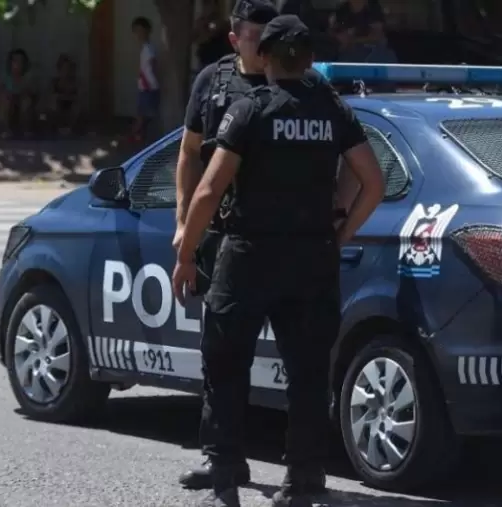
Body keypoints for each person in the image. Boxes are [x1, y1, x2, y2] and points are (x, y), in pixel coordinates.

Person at [172, 14, 385, 507]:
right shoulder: (333, 110)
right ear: (309, 60)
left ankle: (225, 483)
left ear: (265, 58)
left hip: (249, 256)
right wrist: (340, 233)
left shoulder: (250, 109)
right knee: (309, 375)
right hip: (312, 257)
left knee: (226, 369)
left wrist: (186, 252)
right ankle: (303, 485)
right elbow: (372, 182)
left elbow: (208, 189)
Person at [173, 0, 280, 493]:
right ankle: (223, 461)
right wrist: (183, 225)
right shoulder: (213, 82)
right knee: (221, 355)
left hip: (281, 240)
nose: (267, 45)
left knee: (299, 358)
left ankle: (301, 472)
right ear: (236, 39)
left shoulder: (295, 80)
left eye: (272, 34)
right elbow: (190, 153)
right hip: (223, 236)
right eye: (257, 36)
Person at [329, 0, 397, 63]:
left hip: (374, 51)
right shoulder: (342, 10)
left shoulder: (373, 7)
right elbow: (337, 34)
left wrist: (354, 40)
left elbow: (377, 36)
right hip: (348, 53)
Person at [131, 16, 161, 143]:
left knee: (145, 115)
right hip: (144, 86)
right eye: (136, 31)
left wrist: (154, 81)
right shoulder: (144, 48)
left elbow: (153, 66)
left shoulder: (149, 48)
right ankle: (139, 136)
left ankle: (139, 137)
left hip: (149, 86)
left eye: (141, 31)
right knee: (142, 114)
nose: (139, 34)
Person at [0, 48, 37, 139]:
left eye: (21, 61)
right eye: (15, 61)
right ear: (10, 62)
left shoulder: (28, 76)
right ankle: (6, 130)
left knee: (26, 102)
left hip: (21, 101)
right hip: (9, 101)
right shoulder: (5, 75)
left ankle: (26, 130)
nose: (18, 64)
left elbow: (33, 93)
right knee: (5, 101)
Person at [49, 54, 80, 136]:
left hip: (70, 105)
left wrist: (65, 97)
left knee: (76, 107)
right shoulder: (54, 82)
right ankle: (58, 128)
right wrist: (63, 97)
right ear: (59, 69)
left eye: (68, 68)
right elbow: (52, 96)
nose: (66, 71)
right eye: (63, 68)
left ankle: (70, 129)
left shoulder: (75, 83)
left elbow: (78, 97)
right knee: (54, 104)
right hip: (59, 105)